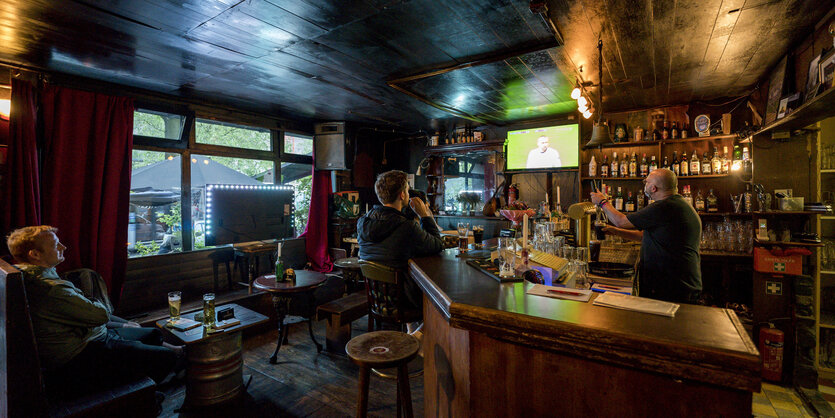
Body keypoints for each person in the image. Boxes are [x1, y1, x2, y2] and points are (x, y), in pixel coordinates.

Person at [6, 225, 180, 399]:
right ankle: (140, 394)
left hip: (90, 336)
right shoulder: (49, 289)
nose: (63, 247)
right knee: (165, 358)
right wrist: (91, 300)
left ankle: (176, 355)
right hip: (81, 353)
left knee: (154, 334)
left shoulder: (30, 274)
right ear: (35, 254)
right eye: (55, 244)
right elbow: (100, 314)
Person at [589, 169, 702, 304]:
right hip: (678, 284)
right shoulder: (677, 204)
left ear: (653, 188)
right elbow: (645, 236)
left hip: (671, 286)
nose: (645, 185)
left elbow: (621, 221)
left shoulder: (665, 206)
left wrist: (602, 202)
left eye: (646, 182)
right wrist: (615, 231)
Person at [357, 170, 444, 309]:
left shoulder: (362, 222)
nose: (408, 193)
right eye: (407, 190)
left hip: (377, 297)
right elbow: (438, 245)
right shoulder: (407, 226)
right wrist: (425, 216)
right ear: (402, 195)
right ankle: (422, 327)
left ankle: (412, 328)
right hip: (403, 300)